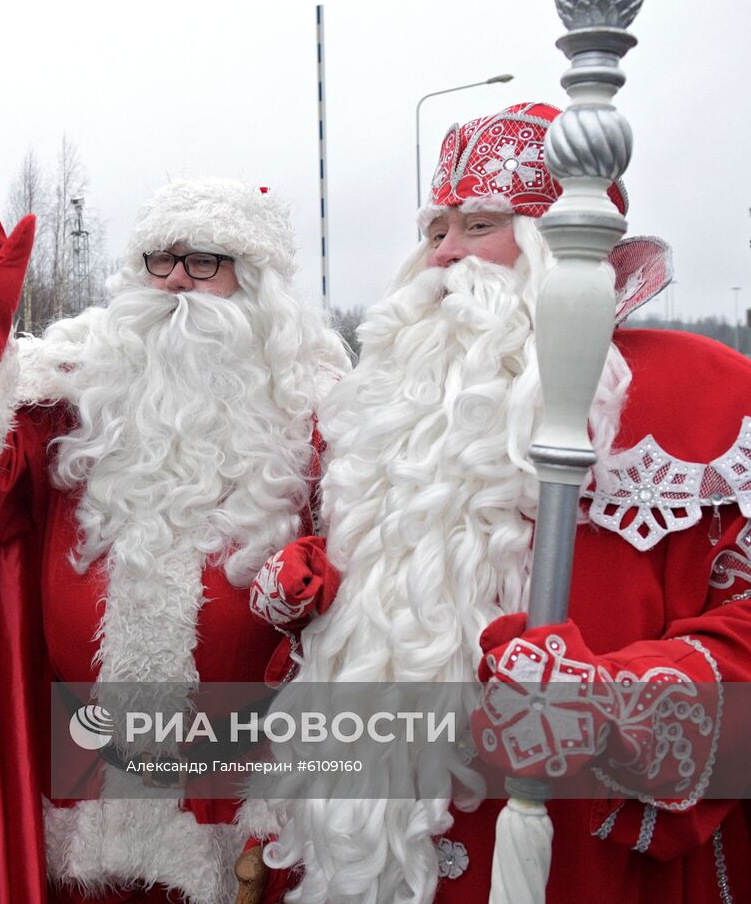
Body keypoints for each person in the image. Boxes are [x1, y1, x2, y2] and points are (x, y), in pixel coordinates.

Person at [263, 102, 751, 903]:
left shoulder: (703, 403)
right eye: (436, 229)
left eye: (479, 224)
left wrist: (612, 705)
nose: (446, 252)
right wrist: (308, 614)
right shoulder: (384, 406)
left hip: (585, 860)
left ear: (557, 248)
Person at [0, 168, 348, 902]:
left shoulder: (321, 421)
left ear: (259, 287)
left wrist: (325, 594)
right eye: (162, 260)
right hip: (87, 769)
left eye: (205, 262)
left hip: (245, 780)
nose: (178, 282)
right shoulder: (73, 405)